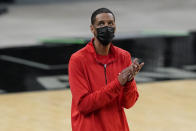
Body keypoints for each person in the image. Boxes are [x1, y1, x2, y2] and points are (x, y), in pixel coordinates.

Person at [68, 8, 144, 131]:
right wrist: (119, 82)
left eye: (110, 23)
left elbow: (128, 103)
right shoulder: (78, 60)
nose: (106, 27)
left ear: (115, 27)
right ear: (92, 29)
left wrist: (129, 81)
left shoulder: (123, 56)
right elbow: (84, 105)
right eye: (101, 24)